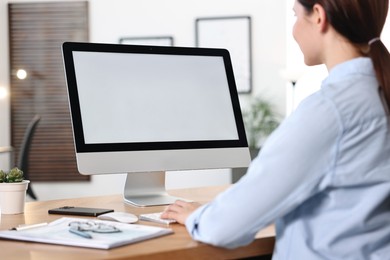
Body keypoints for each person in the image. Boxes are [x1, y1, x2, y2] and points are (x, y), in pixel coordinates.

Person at [162, 0, 390, 259]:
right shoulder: (377, 91)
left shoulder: (331, 110)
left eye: (295, 15)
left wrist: (197, 215)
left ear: (318, 16)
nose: (293, 29)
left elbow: (227, 226)